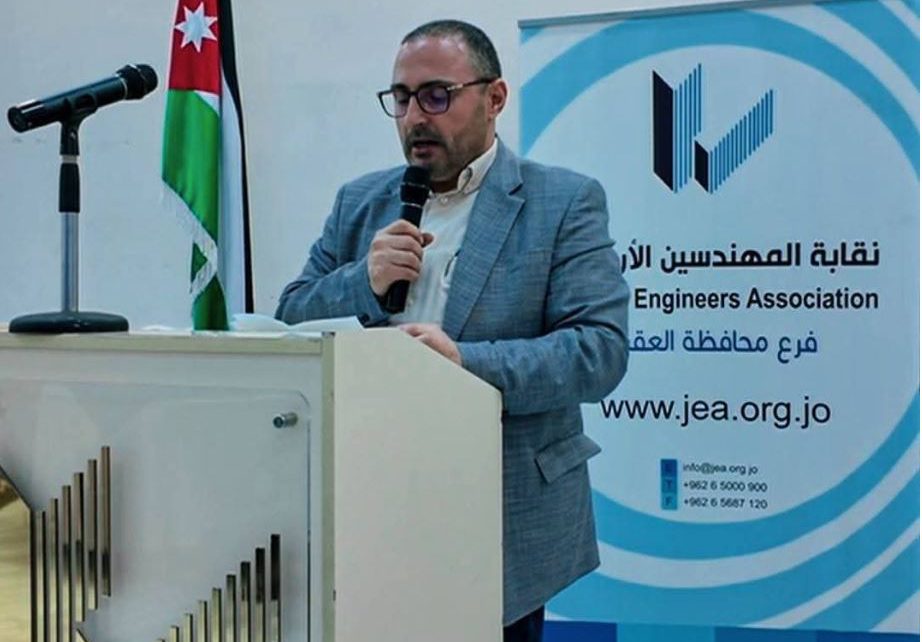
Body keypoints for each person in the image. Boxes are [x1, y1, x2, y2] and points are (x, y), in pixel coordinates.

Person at [276, 19, 629, 642]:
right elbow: (291, 318)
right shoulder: (359, 201)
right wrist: (363, 282)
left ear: (495, 98)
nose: (415, 116)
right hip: (367, 501)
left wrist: (464, 363)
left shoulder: (563, 202)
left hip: (498, 509)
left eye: (436, 95)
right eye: (401, 98)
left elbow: (597, 352)